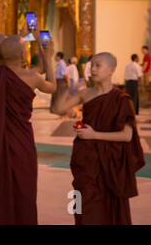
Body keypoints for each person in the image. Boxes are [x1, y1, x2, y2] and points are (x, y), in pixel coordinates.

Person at [0, 29, 56, 225]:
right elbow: (52, 87)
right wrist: (48, 57)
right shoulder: (31, 76)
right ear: (23, 54)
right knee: (23, 185)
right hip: (20, 141)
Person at [53, 52, 145, 225]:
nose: (93, 69)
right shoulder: (85, 94)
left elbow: (127, 136)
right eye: (92, 65)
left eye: (98, 65)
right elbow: (58, 108)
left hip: (110, 163)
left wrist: (93, 134)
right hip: (86, 161)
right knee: (82, 205)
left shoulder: (122, 99)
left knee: (109, 208)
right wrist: (71, 89)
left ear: (111, 69)